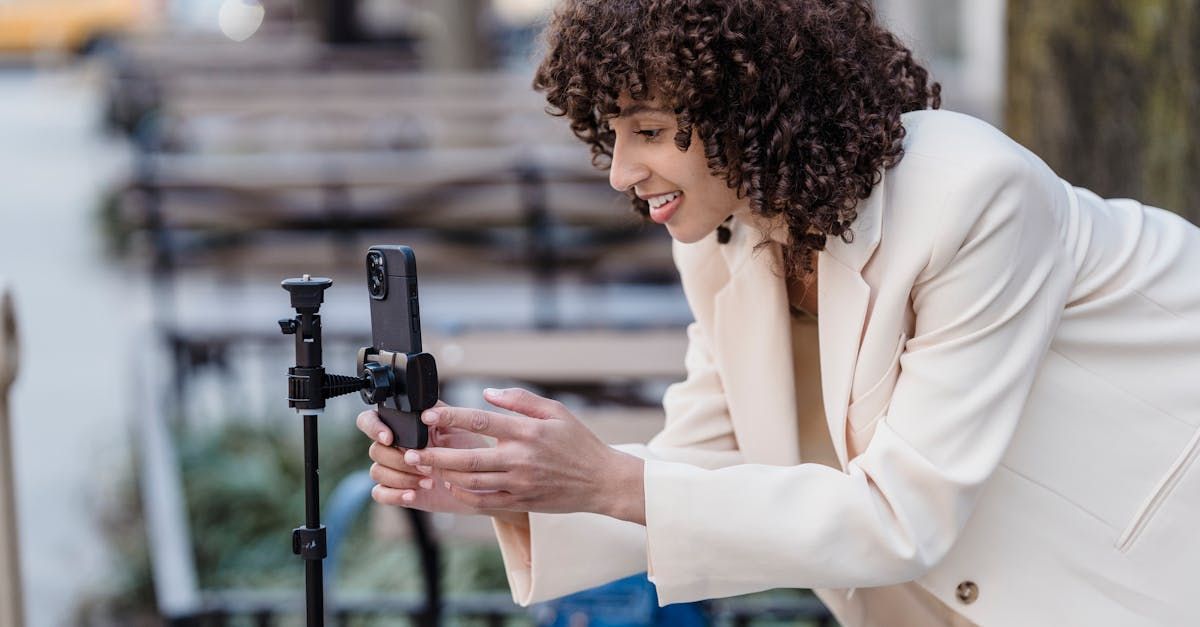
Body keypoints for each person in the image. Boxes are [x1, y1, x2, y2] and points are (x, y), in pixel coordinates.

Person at [356, 1, 1200, 625]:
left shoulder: (972, 195)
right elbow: (700, 463)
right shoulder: (723, 241)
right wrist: (504, 485)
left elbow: (904, 514)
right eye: (611, 133)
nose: (619, 171)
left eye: (648, 129)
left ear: (746, 102)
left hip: (1143, 575)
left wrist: (606, 476)